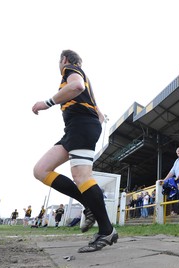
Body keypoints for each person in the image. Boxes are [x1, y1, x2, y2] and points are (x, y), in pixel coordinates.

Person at [31, 50, 117, 253]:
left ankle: (107, 230)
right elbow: (100, 116)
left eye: (59, 61)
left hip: (80, 126)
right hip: (75, 128)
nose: (59, 65)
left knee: (81, 175)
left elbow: (76, 86)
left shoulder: (72, 70)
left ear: (65, 60)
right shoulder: (85, 81)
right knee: (41, 170)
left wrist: (47, 103)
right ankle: (89, 205)